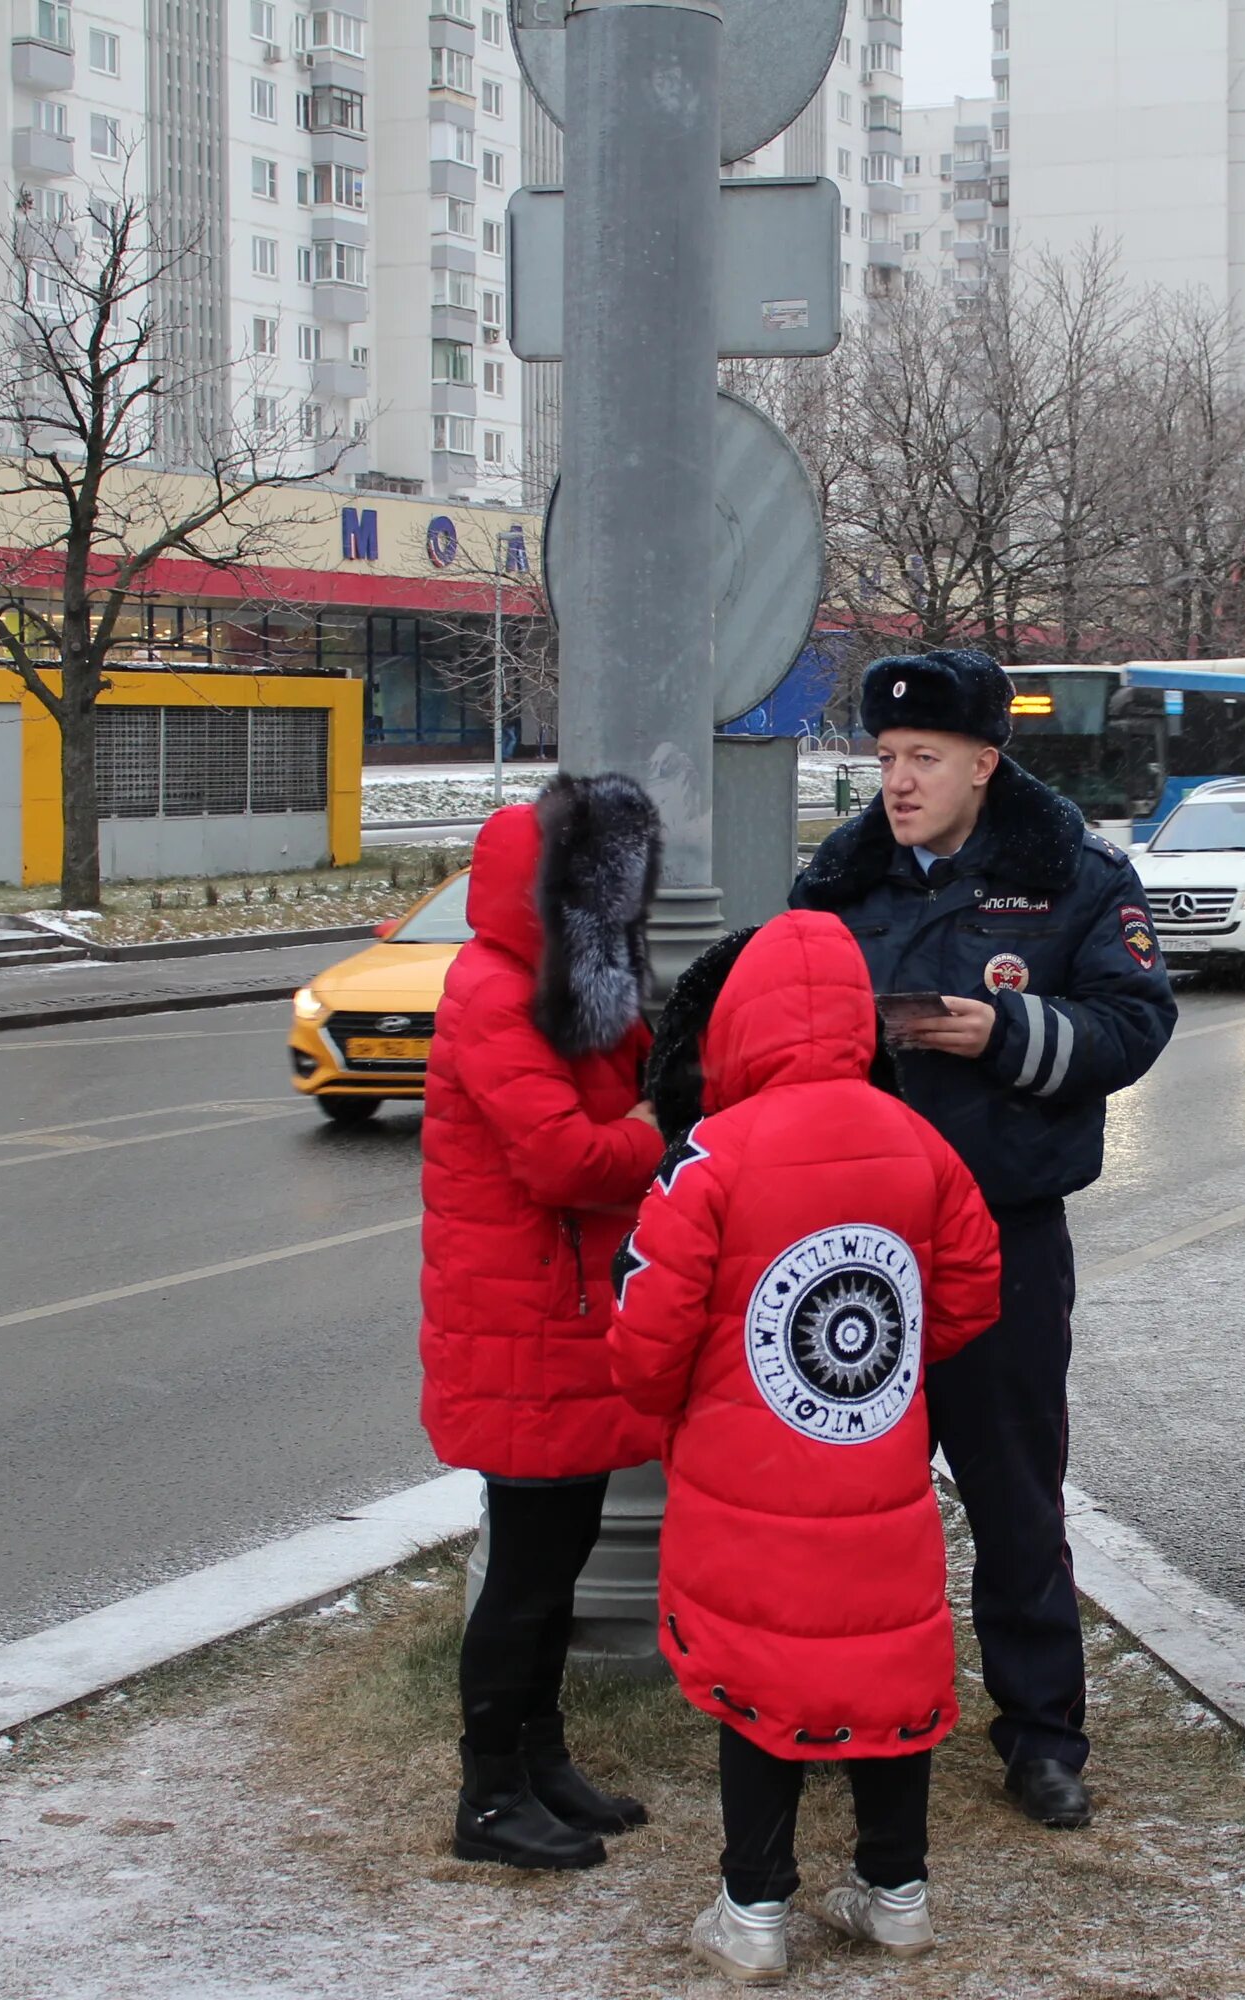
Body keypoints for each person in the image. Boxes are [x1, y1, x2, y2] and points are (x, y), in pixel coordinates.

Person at [789, 649, 1178, 1831]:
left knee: (1015, 1495)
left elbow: (1134, 1021)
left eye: (925, 760)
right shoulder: (839, 881)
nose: (898, 782)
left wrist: (1000, 1030)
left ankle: (1044, 1735)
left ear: (982, 763)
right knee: (857, 1497)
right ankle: (846, 1705)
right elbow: (767, 1018)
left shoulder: (1072, 876)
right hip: (860, 1244)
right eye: (887, 758)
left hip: (1003, 1234)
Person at [608, 913, 1005, 1983]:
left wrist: (682, 1407)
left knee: (761, 1679)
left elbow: (648, 1330)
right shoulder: (919, 1138)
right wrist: (894, 1368)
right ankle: (897, 1892)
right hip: (877, 1463)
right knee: (887, 1660)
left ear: (741, 1020)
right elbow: (970, 1288)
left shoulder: (714, 1154)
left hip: (752, 1471)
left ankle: (755, 1909)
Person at [418, 771, 670, 1872]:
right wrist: (662, 1121)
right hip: (521, 1321)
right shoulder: (492, 990)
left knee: (555, 1562)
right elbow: (568, 1155)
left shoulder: (555, 982)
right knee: (525, 1573)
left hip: (559, 1313)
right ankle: (487, 1795)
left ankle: (541, 1759)